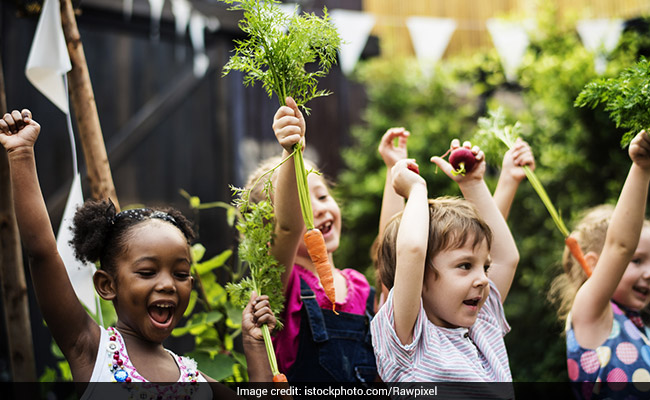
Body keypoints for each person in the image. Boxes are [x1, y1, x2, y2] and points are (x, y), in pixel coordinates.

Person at [0, 109, 274, 396]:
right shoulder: (92, 351)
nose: (168, 284)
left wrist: (254, 346)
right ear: (107, 285)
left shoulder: (197, 382)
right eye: (147, 272)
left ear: (191, 286)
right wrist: (21, 154)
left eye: (181, 273)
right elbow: (42, 254)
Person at [371, 139, 520, 381]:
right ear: (419, 278)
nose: (483, 279)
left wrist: (473, 184)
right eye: (465, 266)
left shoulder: (482, 324)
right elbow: (412, 250)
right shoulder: (409, 341)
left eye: (484, 267)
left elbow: (506, 259)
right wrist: (417, 190)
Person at [261, 97, 377, 382]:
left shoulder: (360, 286)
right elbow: (288, 229)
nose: (319, 209)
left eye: (323, 196)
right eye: (302, 204)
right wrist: (292, 152)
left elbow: (391, 254)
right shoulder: (283, 286)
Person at [548, 130, 650, 388]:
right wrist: (641, 167)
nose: (649, 273)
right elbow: (621, 246)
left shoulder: (639, 329)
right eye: (637, 261)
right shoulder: (591, 314)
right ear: (593, 264)